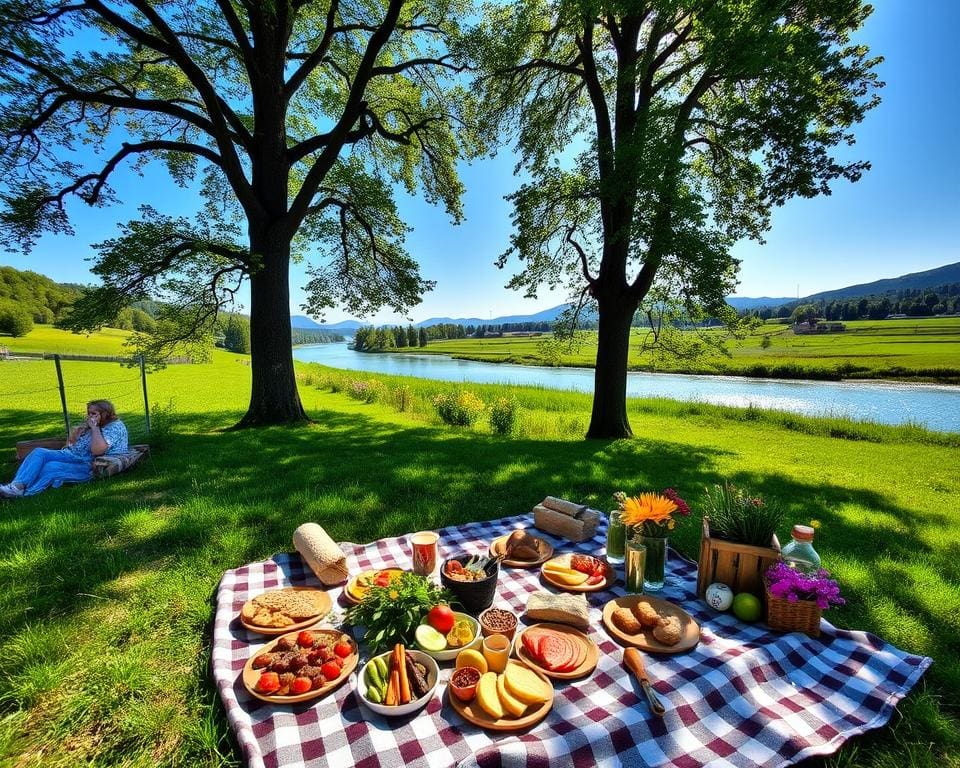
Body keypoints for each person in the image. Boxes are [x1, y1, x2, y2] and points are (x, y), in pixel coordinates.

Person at [0, 399, 129, 498]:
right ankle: (17, 486)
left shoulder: (114, 427)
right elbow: (70, 444)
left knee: (51, 467)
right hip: (71, 455)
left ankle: (25, 494)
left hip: (89, 463)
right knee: (39, 453)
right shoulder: (96, 423)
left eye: (94, 413)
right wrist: (76, 434)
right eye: (89, 413)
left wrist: (94, 428)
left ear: (105, 414)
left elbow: (97, 450)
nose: (90, 417)